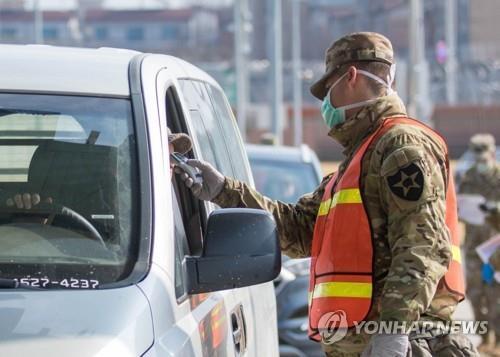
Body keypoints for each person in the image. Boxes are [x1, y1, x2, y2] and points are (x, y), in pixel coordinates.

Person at [176, 32, 476, 356]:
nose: (325, 104)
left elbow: (423, 245)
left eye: (327, 90)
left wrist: (394, 332)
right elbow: (299, 229)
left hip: (399, 343)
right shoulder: (360, 157)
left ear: (350, 77)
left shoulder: (401, 146)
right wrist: (223, 190)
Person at [458, 134, 500, 353]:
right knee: (475, 294)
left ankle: (498, 340)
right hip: (475, 246)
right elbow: (461, 210)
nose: (480, 164)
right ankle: (484, 337)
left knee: (496, 295)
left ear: (492, 154)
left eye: (483, 159)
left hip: (496, 248)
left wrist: (495, 210)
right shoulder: (468, 179)